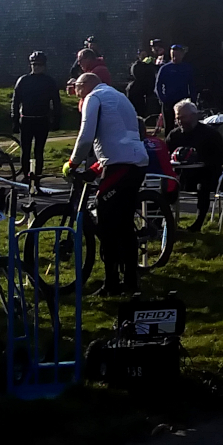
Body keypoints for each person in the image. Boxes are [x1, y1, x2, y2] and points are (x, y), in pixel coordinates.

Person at [66, 71, 148, 298]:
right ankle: (130, 280)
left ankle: (112, 282)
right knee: (123, 223)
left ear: (85, 85)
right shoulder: (119, 96)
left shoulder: (94, 97)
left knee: (107, 222)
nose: (78, 97)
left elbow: (86, 136)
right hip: (135, 162)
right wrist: (94, 170)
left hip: (120, 165)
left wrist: (72, 163)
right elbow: (119, 138)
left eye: (77, 91)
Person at [167, 98, 223, 229]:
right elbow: (167, 155)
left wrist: (198, 159)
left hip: (206, 175)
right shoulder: (174, 135)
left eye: (183, 117)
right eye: (177, 118)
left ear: (194, 116)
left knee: (203, 187)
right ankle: (164, 222)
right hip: (182, 176)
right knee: (163, 184)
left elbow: (221, 158)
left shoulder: (210, 134)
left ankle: (198, 222)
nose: (180, 122)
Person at [11, 51, 63, 181]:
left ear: (44, 66)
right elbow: (15, 101)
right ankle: (26, 176)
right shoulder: (23, 80)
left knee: (39, 151)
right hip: (26, 119)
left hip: (42, 119)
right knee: (25, 150)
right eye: (34, 64)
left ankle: (37, 176)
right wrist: (15, 119)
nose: (36, 67)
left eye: (39, 65)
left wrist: (56, 120)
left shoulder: (49, 82)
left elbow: (56, 102)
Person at [155, 43, 196, 127]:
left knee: (184, 124)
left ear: (182, 55)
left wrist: (193, 100)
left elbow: (192, 85)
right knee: (168, 126)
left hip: (182, 102)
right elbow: (158, 86)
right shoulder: (165, 68)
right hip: (168, 102)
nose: (175, 57)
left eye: (177, 55)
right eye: (173, 55)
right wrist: (163, 99)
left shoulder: (187, 68)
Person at [126, 48, 162, 135]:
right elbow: (139, 75)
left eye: (145, 54)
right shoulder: (136, 66)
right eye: (142, 55)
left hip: (147, 93)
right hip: (136, 94)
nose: (144, 56)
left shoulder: (150, 65)